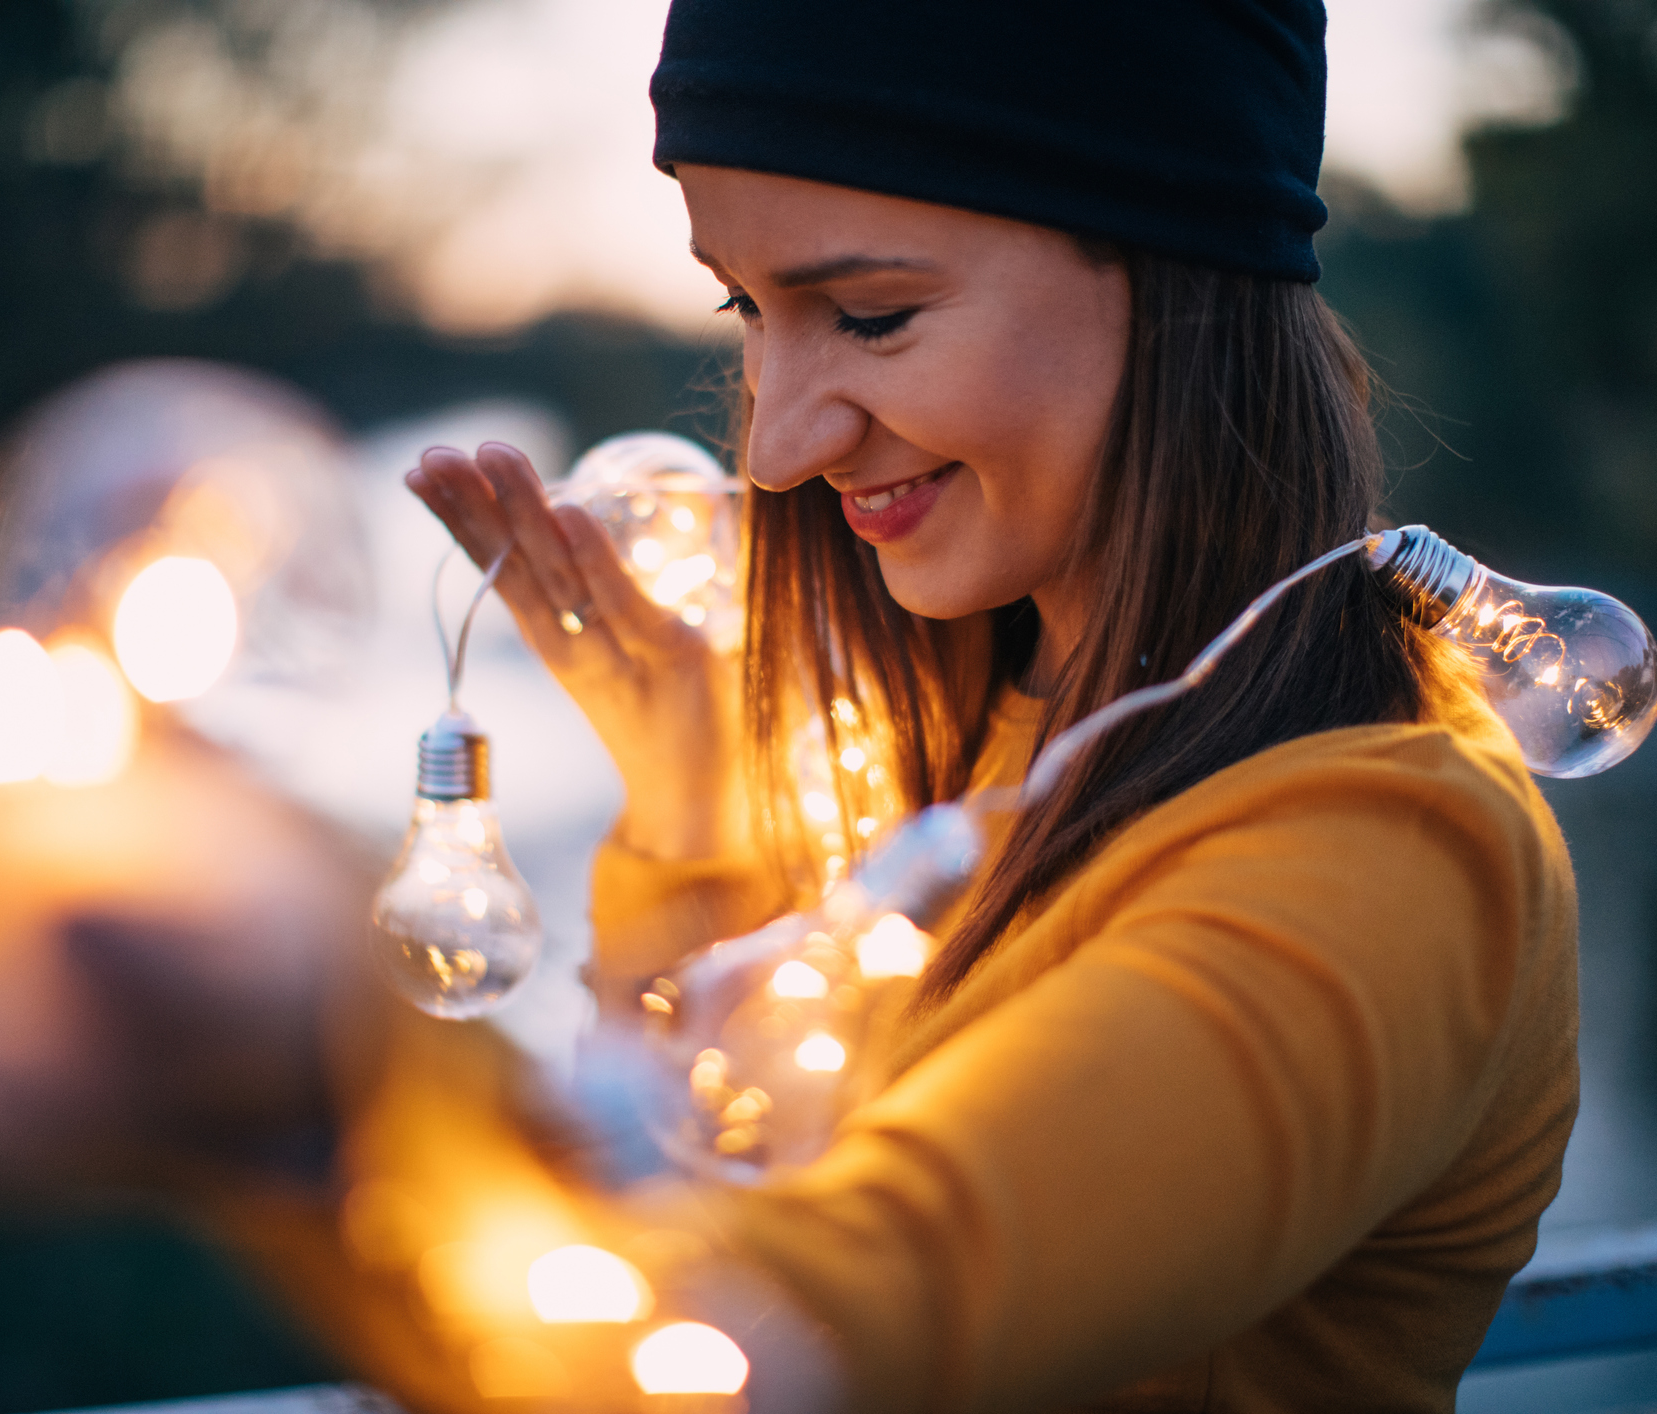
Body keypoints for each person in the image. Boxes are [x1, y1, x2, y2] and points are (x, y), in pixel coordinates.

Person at [261, 3, 1581, 1410]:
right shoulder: (946, 749)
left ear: (1176, 267)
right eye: (746, 311)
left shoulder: (1389, 854)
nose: (771, 446)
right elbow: (692, 1178)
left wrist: (288, 1061)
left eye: (872, 316)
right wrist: (697, 818)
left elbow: (778, 1330)